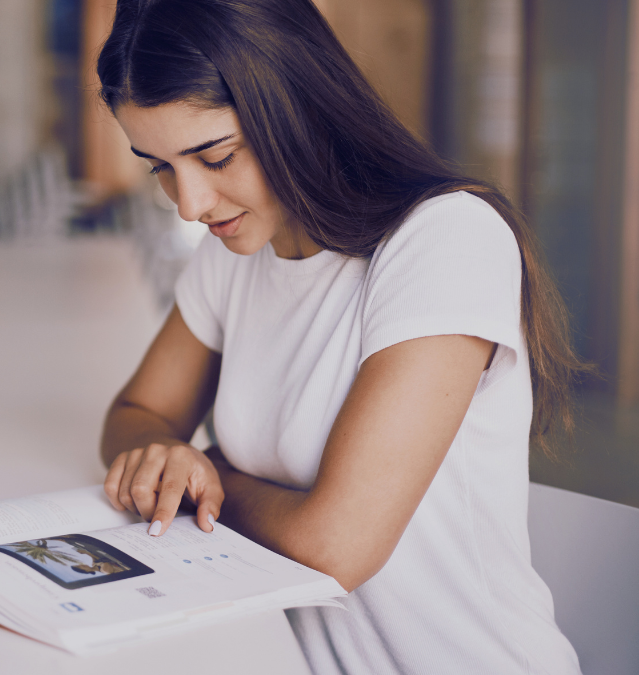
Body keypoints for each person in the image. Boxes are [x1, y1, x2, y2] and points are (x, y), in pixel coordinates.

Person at [94, 1, 587, 672]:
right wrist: (161, 454)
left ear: (295, 103)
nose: (190, 204)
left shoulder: (445, 241)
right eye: (160, 167)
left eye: (215, 156)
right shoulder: (233, 253)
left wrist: (210, 476)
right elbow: (136, 414)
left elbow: (336, 546)